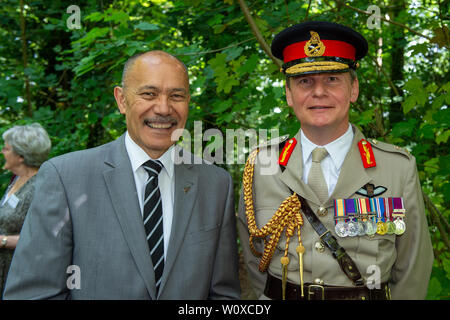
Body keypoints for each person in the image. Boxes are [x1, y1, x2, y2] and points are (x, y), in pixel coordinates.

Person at [4, 51, 241, 299]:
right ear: (122, 100)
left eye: (176, 96)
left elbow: (223, 294)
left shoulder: (215, 184)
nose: (163, 108)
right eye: (149, 94)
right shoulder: (65, 177)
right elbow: (32, 293)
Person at [238, 21, 433, 300]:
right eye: (305, 81)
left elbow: (413, 269)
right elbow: (254, 259)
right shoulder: (261, 167)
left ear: (353, 89)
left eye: (332, 79)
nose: (319, 92)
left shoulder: (397, 168)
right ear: (289, 94)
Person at [0, 123, 51, 298]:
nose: (2, 152)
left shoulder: (40, 186)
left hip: (19, 276)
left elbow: (42, 238)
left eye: (6, 148)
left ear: (20, 155)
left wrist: (3, 240)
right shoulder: (16, 180)